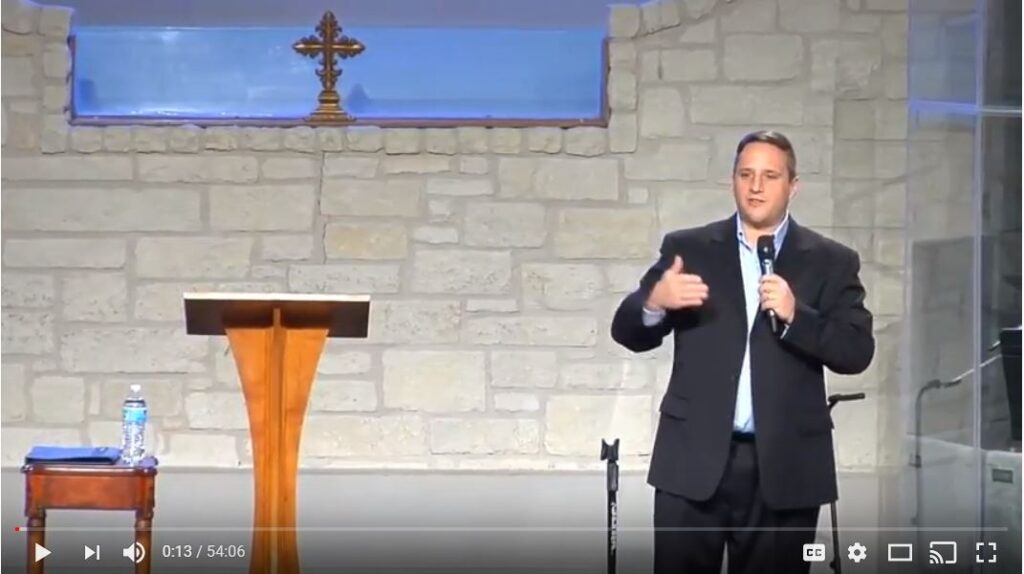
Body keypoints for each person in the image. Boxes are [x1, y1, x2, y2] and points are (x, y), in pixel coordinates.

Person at [611, 130, 875, 574]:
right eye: (746, 174)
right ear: (733, 181)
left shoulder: (830, 261)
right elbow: (627, 329)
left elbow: (856, 352)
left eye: (770, 176)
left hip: (785, 468)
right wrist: (655, 302)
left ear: (792, 186)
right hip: (693, 463)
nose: (756, 186)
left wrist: (798, 316)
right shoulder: (689, 250)